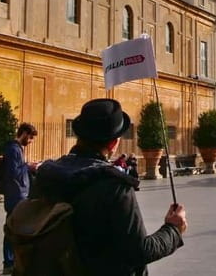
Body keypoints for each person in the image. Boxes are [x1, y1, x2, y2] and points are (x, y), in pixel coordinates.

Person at [31, 98, 185, 275]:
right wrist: (173, 229)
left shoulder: (47, 175)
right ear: (113, 143)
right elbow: (139, 251)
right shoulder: (115, 186)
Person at [1, 123, 39, 274]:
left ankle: (14, 260)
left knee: (17, 227)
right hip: (15, 195)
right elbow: (13, 172)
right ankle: (9, 261)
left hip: (19, 194)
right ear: (23, 133)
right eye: (30, 137)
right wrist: (28, 166)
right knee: (13, 228)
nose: (30, 141)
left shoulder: (17, 149)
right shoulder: (13, 149)